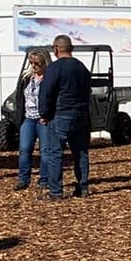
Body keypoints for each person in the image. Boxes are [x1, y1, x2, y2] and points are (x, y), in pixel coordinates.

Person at [38, 35, 92, 200]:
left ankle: (55, 191)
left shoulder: (54, 68)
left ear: (55, 48)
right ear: (71, 48)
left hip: (61, 115)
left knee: (55, 153)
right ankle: (82, 187)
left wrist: (45, 114)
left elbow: (46, 93)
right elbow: (88, 91)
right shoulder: (82, 68)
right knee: (81, 152)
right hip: (81, 115)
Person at [14, 49, 53, 191]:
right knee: (24, 149)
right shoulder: (26, 78)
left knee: (45, 150)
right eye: (32, 63)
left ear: (45, 63)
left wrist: (48, 115)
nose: (34, 66)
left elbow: (54, 99)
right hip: (28, 118)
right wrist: (20, 117)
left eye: (37, 63)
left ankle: (44, 179)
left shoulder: (50, 78)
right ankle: (23, 179)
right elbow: (20, 98)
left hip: (43, 119)